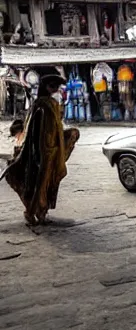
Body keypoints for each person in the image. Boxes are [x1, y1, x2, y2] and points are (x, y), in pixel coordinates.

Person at [1, 75, 80, 226]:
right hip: (45, 152)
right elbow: (45, 132)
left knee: (40, 184)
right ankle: (34, 212)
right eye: (54, 86)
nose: (56, 89)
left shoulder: (39, 104)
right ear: (49, 87)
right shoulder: (46, 105)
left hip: (43, 151)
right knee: (41, 184)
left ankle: (38, 213)